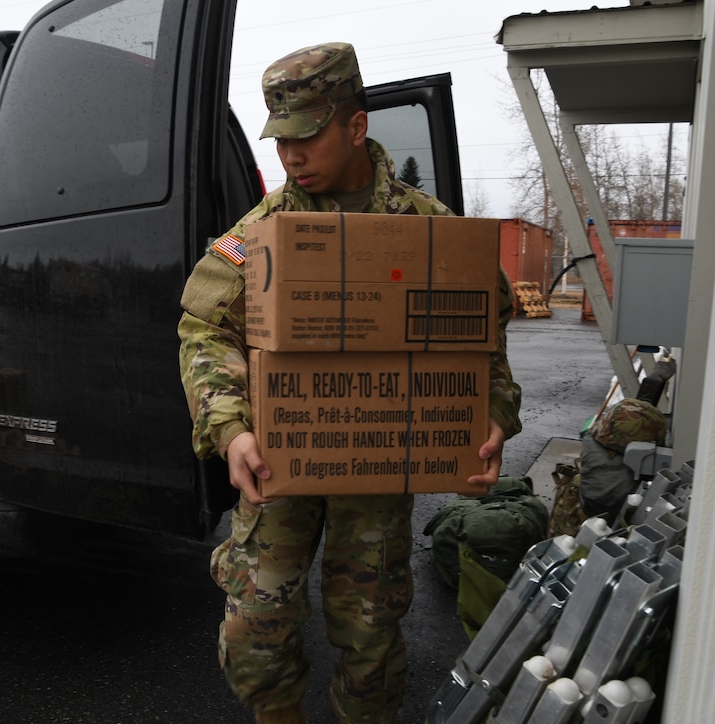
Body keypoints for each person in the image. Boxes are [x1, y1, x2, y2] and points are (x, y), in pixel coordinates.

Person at [177, 42, 522, 724]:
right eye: (281, 140)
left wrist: (494, 413)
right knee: (254, 633)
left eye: (306, 135)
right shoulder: (260, 233)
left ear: (356, 127)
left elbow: (484, 331)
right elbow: (202, 330)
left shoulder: (430, 230)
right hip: (282, 454)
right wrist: (232, 428)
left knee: (370, 640)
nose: (291, 155)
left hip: (375, 459)